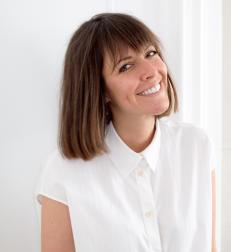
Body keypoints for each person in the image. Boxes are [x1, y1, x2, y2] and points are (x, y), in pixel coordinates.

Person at [35, 12, 217, 252]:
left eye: (151, 53)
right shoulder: (64, 171)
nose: (151, 71)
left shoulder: (196, 146)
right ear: (100, 91)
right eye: (126, 66)